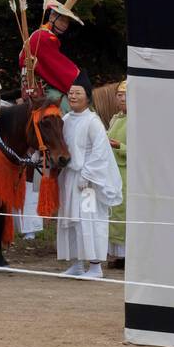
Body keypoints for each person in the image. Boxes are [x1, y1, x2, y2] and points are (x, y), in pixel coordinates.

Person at [57, 84, 122, 279]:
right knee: (71, 221)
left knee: (89, 219)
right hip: (70, 177)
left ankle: (95, 267)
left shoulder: (93, 121)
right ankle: (76, 264)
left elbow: (100, 151)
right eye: (70, 93)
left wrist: (88, 175)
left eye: (78, 93)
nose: (73, 96)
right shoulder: (66, 119)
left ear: (87, 98)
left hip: (88, 183)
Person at [19, 0, 88, 104]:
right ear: (52, 16)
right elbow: (56, 66)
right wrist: (77, 78)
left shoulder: (47, 35)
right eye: (61, 20)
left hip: (42, 82)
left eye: (67, 21)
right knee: (65, 103)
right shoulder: (43, 37)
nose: (64, 24)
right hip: (37, 85)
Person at [107, 80, 128, 267]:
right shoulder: (115, 119)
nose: (122, 99)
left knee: (124, 213)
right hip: (112, 171)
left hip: (128, 172)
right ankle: (116, 255)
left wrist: (119, 146)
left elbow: (143, 149)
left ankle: (127, 255)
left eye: (125, 95)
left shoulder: (138, 120)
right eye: (119, 95)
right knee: (113, 212)